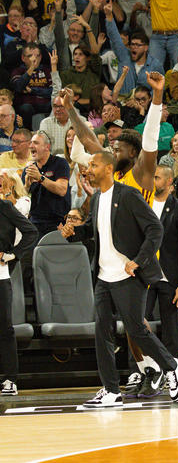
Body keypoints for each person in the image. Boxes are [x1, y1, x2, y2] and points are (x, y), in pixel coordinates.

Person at [60, 151, 178, 408]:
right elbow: (96, 232)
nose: (89, 169)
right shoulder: (96, 199)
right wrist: (73, 233)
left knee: (136, 330)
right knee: (102, 332)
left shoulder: (128, 195)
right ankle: (111, 390)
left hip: (129, 274)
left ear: (108, 169)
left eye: (93, 165)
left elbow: (155, 229)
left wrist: (139, 260)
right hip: (104, 276)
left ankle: (172, 366)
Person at [125, 164, 178, 396]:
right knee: (136, 321)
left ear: (170, 182)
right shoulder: (144, 204)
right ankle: (141, 370)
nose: (153, 180)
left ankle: (171, 373)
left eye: (157, 177)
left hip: (169, 276)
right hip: (145, 273)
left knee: (170, 327)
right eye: (152, 176)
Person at [0, 198, 37, 396]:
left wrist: (12, 255)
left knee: (5, 328)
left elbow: (31, 232)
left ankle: (10, 379)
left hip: (0, 275)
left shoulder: (5, 207)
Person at [24, 131, 70, 238]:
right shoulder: (29, 169)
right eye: (30, 143)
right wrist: (27, 185)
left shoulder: (60, 163)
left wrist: (40, 178)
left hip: (57, 222)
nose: (31, 146)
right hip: (34, 222)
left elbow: (62, 190)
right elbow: (23, 198)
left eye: (35, 143)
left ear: (47, 147)